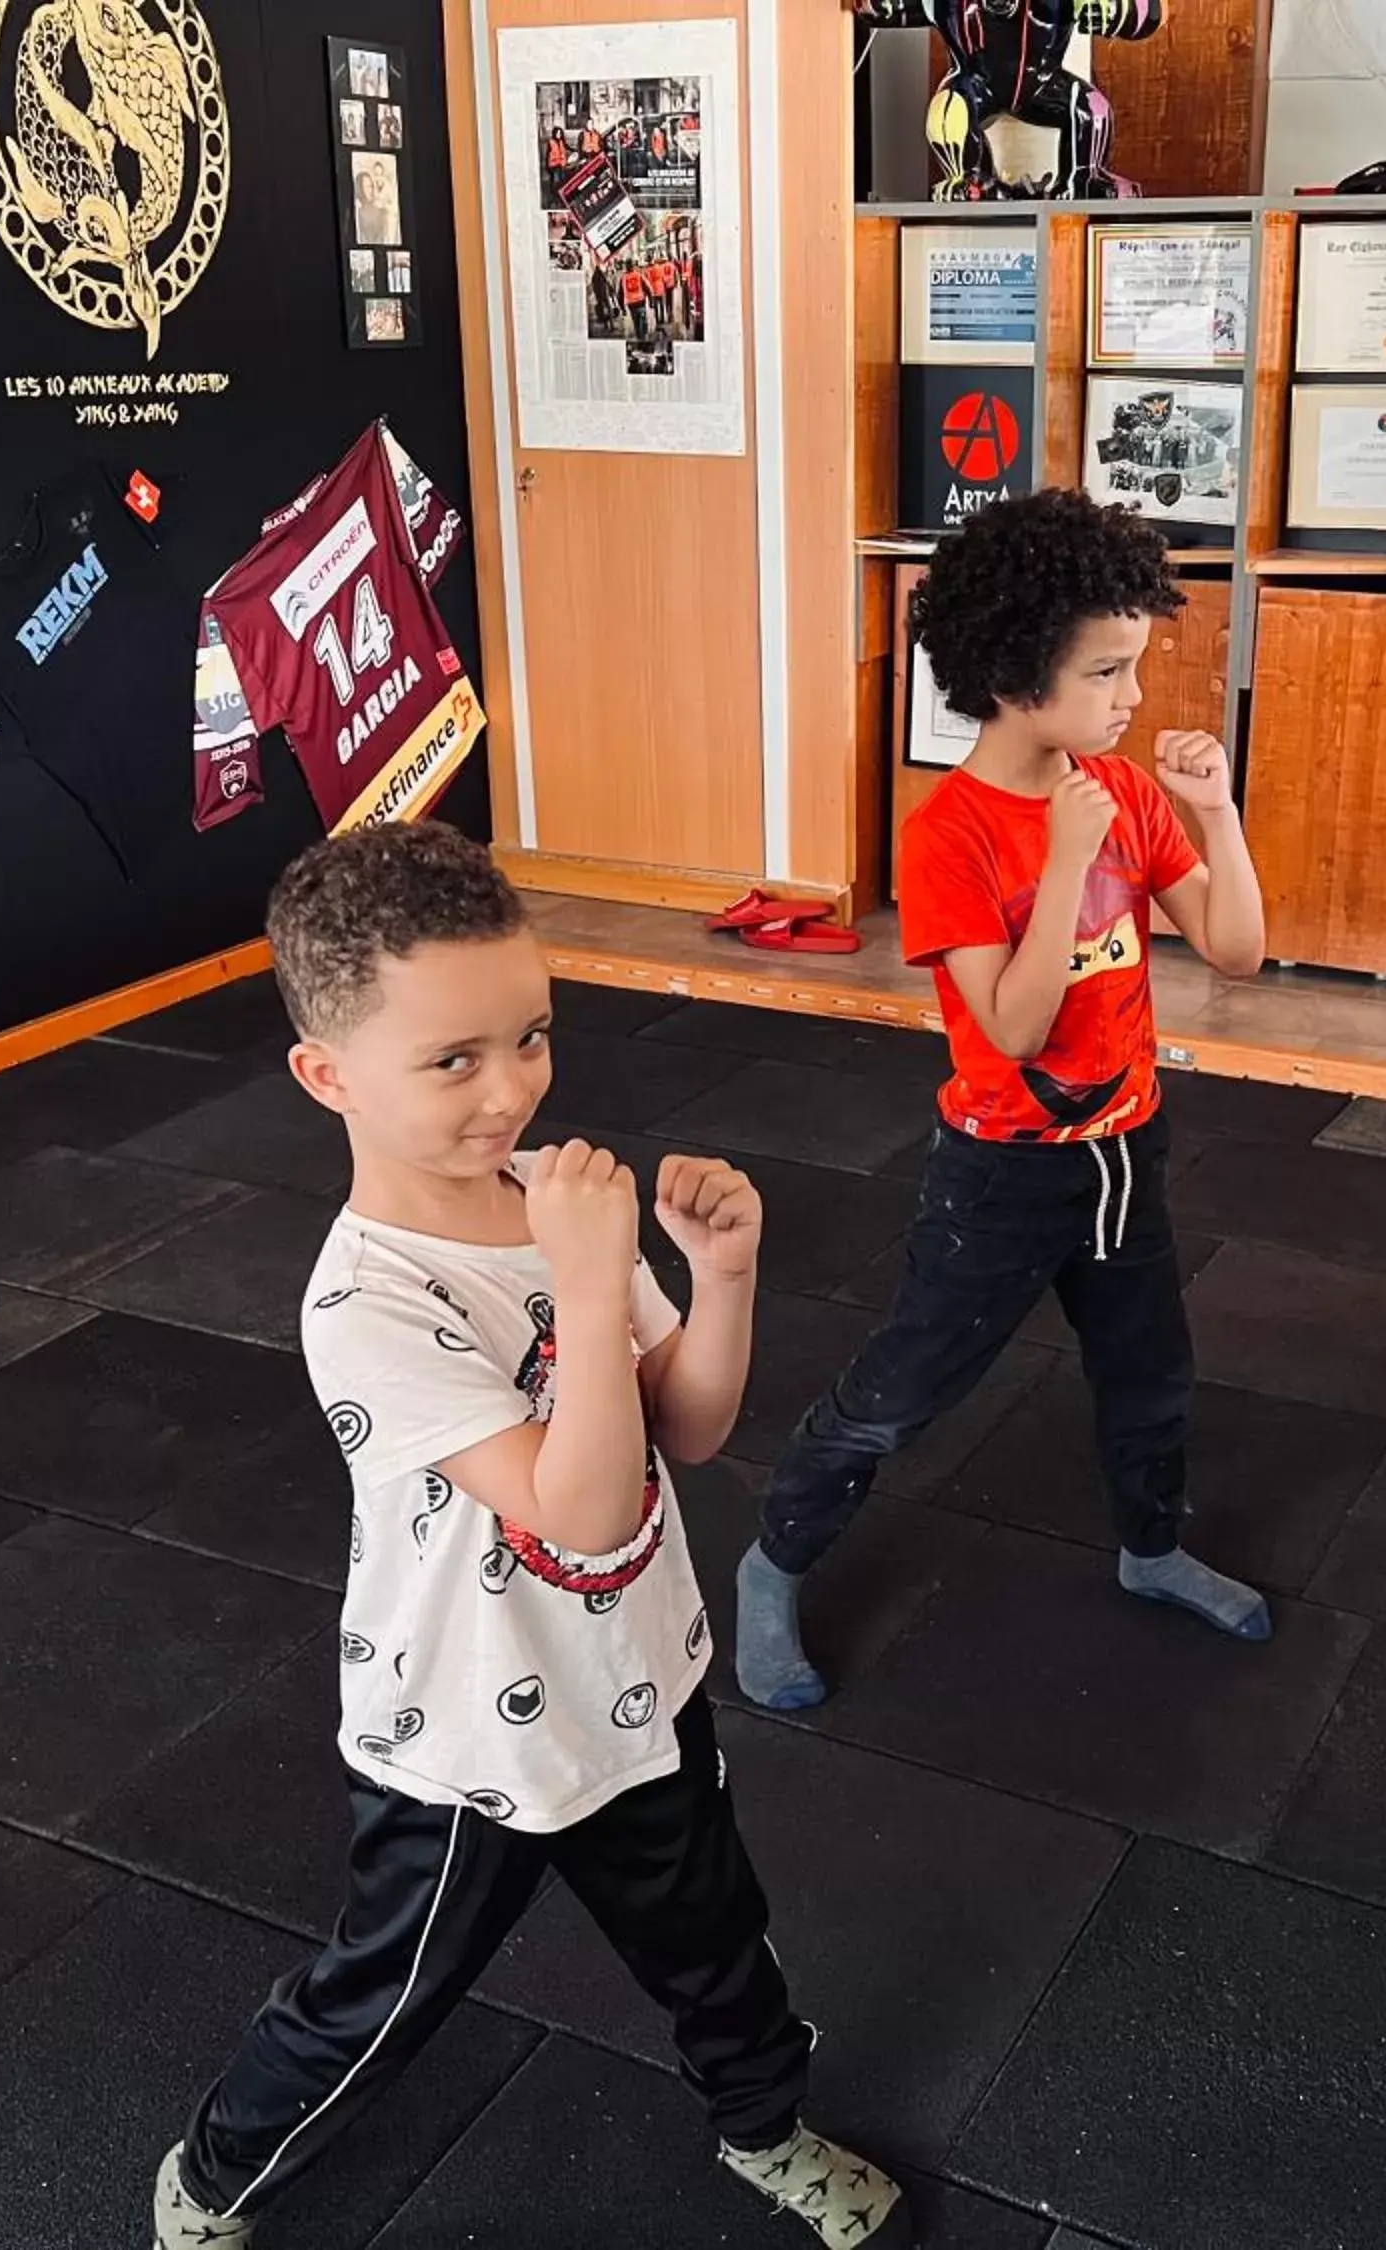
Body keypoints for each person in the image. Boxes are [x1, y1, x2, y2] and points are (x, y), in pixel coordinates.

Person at [152, 825, 907, 2250]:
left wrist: (723, 1275)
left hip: (639, 1675)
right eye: (453, 1061)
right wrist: (578, 1263)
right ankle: (215, 2168)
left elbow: (685, 1426)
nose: (510, 1089)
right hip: (465, 1738)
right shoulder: (367, 1304)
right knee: (380, 1996)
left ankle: (763, 2128)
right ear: (329, 1076)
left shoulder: (553, 1200)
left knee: (717, 1942)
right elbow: (579, 1501)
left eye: (533, 1036)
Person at [734, 490, 1270, 1712]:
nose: (1131, 697)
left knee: (1152, 1373)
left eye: (1135, 666)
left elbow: (1236, 952)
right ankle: (774, 1565)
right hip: (1004, 1173)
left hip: (1125, 1150)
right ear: (1019, 677)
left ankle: (1151, 1548)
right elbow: (1015, 1028)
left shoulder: (1128, 793)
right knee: (902, 1393)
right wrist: (1070, 859)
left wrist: (1217, 814)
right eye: (1107, 671)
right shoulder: (950, 838)